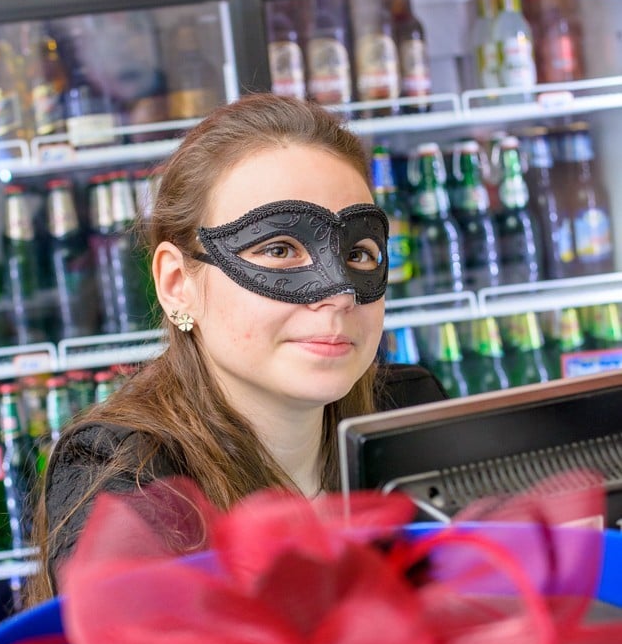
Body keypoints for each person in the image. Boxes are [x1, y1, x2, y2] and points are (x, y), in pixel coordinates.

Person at [27, 92, 446, 606]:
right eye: (278, 249)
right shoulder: (121, 479)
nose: (339, 292)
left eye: (358, 252)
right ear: (178, 283)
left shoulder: (409, 413)